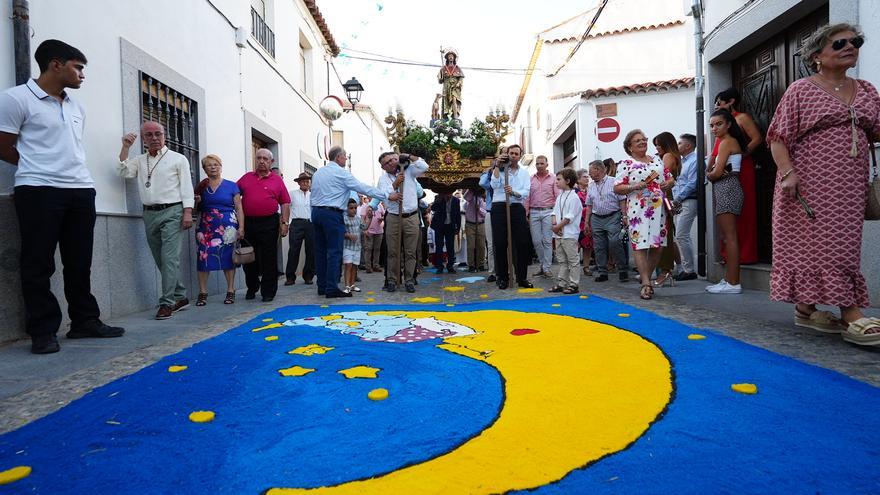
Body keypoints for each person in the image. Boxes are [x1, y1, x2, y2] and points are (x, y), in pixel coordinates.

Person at [0, 39, 124, 353]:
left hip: (81, 190)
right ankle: (42, 330)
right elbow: (3, 144)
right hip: (39, 189)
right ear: (56, 64)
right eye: (77, 67)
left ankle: (84, 321)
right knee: (38, 262)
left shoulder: (75, 106)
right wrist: (33, 165)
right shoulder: (16, 99)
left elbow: (71, 149)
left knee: (79, 262)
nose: (82, 74)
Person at [767, 23, 880, 344]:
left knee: (844, 240)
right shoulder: (801, 90)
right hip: (808, 181)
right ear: (817, 56)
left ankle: (806, 309)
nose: (850, 46)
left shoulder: (868, 90)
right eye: (839, 43)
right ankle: (850, 312)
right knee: (816, 243)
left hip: (849, 185)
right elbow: (777, 137)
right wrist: (788, 173)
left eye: (855, 41)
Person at [118, 121, 194, 319]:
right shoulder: (140, 160)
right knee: (161, 259)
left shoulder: (178, 159)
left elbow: (187, 187)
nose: (154, 138)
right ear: (143, 139)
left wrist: (187, 212)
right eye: (149, 135)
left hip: (173, 211)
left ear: (165, 135)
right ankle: (180, 296)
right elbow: (124, 172)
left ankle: (166, 303)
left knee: (169, 258)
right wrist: (125, 147)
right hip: (149, 213)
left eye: (158, 134)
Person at [311, 146, 390, 298]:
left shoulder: (318, 172)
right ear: (339, 157)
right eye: (345, 156)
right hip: (332, 214)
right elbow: (362, 187)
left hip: (316, 212)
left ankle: (322, 286)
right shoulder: (341, 173)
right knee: (334, 251)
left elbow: (314, 194)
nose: (346, 159)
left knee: (320, 251)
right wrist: (385, 194)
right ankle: (332, 287)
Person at [614, 130, 674, 300]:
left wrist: (667, 184)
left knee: (658, 245)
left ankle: (644, 275)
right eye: (637, 140)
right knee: (640, 245)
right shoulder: (626, 163)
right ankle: (646, 283)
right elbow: (617, 187)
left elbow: (670, 178)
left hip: (658, 207)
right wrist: (634, 187)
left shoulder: (656, 159)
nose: (642, 142)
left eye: (644, 139)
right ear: (630, 146)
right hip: (638, 208)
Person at [711, 87, 761, 265]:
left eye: (719, 102)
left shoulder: (742, 118)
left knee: (744, 210)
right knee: (726, 215)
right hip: (721, 171)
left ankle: (746, 254)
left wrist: (740, 156)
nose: (716, 105)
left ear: (731, 101)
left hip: (740, 168)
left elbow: (756, 138)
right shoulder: (719, 126)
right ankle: (729, 255)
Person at [237, 148, 290, 302]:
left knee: (269, 258)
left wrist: (285, 223)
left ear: (271, 162)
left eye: (265, 159)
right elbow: (233, 195)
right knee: (249, 257)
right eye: (258, 158)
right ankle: (252, 287)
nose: (261, 161)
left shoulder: (277, 180)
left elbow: (285, 202)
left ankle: (268, 291)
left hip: (269, 222)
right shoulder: (246, 178)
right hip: (248, 223)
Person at [193, 154, 244, 306]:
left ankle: (230, 290)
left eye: (216, 164)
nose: (213, 167)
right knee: (203, 257)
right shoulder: (201, 186)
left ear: (221, 167)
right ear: (204, 169)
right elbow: (196, 210)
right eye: (209, 165)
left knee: (228, 258)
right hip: (206, 226)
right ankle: (203, 292)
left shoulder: (231, 185)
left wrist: (241, 227)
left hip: (228, 227)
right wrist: (197, 202)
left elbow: (239, 207)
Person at [706, 110, 747, 294]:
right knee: (727, 236)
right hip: (726, 187)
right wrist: (712, 171)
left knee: (730, 237)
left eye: (718, 124)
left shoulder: (727, 142)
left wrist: (711, 173)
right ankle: (730, 280)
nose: (714, 128)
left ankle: (733, 283)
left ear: (729, 124)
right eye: (712, 125)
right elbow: (712, 169)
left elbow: (714, 173)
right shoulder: (723, 142)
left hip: (727, 188)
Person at [377, 151, 428, 292]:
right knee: (393, 251)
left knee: (410, 251)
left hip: (411, 216)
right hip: (394, 216)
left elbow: (424, 166)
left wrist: (410, 156)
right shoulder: (383, 179)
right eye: (387, 162)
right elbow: (383, 193)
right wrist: (395, 184)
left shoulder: (409, 171)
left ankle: (409, 280)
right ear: (383, 167)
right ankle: (392, 280)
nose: (392, 163)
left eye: (393, 159)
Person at [489, 144, 533, 289]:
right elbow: (494, 185)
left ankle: (522, 278)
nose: (514, 155)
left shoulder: (524, 173)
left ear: (520, 156)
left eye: (516, 153)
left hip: (516, 206)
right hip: (499, 206)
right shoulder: (501, 169)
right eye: (511, 153)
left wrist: (513, 192)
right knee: (500, 243)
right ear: (507, 154)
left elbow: (526, 191)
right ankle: (502, 278)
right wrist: (496, 165)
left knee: (521, 243)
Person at [585, 160, 629, 283]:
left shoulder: (614, 181)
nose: (589, 175)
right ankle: (602, 272)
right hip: (597, 217)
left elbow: (622, 200)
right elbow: (589, 205)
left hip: (613, 216)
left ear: (598, 170)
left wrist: (624, 216)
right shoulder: (591, 185)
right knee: (599, 246)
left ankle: (622, 269)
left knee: (615, 242)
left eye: (590, 172)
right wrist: (587, 222)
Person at [652, 132, 683, 287]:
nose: (657, 148)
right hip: (664, 196)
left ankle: (666, 271)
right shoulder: (671, 156)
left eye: (659, 144)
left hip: (663, 197)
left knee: (664, 236)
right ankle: (664, 270)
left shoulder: (667, 156)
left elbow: (660, 177)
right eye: (655, 145)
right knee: (665, 234)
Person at [548, 168, 582, 294]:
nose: (556, 182)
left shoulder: (574, 197)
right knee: (562, 260)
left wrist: (557, 227)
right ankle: (562, 283)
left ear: (567, 181)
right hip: (559, 235)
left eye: (558, 179)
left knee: (573, 260)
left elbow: (570, 216)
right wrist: (554, 225)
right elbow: (554, 212)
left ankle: (574, 284)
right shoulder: (560, 196)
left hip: (569, 234)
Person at [673, 133, 699, 281]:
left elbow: (692, 183)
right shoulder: (683, 162)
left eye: (680, 143)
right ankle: (686, 268)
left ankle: (689, 270)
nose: (677, 146)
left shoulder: (694, 160)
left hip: (688, 200)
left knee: (682, 235)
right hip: (681, 201)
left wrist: (678, 198)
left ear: (688, 146)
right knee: (681, 235)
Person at [528, 155, 558, 278]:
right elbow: (527, 197)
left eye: (541, 163)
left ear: (547, 164)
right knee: (536, 241)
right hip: (533, 212)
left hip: (548, 211)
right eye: (537, 164)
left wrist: (556, 214)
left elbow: (557, 196)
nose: (539, 166)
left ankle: (546, 268)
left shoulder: (554, 178)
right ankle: (542, 265)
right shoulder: (530, 179)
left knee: (547, 241)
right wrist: (526, 213)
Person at [284, 172, 315, 286]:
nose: (305, 183)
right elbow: (285, 208)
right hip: (296, 223)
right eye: (303, 181)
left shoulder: (313, 195)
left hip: (310, 224)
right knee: (293, 250)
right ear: (299, 183)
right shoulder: (292, 194)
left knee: (311, 251)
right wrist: (286, 223)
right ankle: (290, 277)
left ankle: (308, 276)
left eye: (307, 181)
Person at [431, 192, 461, 274]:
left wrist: (458, 228)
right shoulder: (438, 197)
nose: (448, 195)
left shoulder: (456, 200)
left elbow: (458, 215)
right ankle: (440, 266)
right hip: (439, 226)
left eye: (450, 193)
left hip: (450, 226)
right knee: (439, 246)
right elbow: (433, 208)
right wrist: (440, 199)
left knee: (450, 246)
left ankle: (450, 266)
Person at [343, 198, 365, 293]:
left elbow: (364, 227)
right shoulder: (343, 219)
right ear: (346, 208)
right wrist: (348, 235)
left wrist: (369, 218)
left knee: (355, 266)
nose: (354, 210)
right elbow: (341, 232)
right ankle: (347, 286)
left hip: (357, 247)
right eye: (351, 208)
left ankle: (352, 285)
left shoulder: (358, 218)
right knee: (348, 265)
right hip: (347, 246)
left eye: (355, 208)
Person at [463, 187, 487, 272]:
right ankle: (471, 265)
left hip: (480, 224)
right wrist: (471, 188)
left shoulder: (483, 201)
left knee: (481, 246)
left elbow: (485, 214)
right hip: (470, 224)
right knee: (471, 246)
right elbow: (465, 197)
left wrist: (479, 209)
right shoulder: (470, 198)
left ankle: (480, 264)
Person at [479, 167, 496, 282]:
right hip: (491, 212)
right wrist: (489, 172)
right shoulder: (489, 182)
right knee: (490, 245)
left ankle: (506, 270)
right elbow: (482, 183)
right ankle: (492, 272)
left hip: (504, 212)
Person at [575, 168, 594, 276]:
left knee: (588, 246)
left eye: (588, 177)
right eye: (584, 177)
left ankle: (586, 267)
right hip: (577, 222)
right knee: (576, 246)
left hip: (588, 221)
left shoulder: (591, 191)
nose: (587, 179)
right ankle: (573, 267)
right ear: (578, 179)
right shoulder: (574, 191)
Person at [438, 49, 464, 120]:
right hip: (446, 86)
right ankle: (445, 116)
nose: (451, 57)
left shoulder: (457, 68)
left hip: (455, 86)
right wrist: (441, 77)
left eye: (452, 56)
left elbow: (461, 78)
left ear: (454, 58)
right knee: (446, 101)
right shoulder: (443, 68)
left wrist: (458, 83)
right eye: (449, 56)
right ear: (447, 58)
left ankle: (455, 116)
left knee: (454, 99)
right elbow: (440, 81)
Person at [364, 201, 385, 272]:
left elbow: (384, 215)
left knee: (377, 249)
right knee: (368, 249)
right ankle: (368, 267)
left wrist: (382, 218)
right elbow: (362, 218)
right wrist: (365, 230)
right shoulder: (366, 206)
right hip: (369, 231)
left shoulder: (380, 205)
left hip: (379, 230)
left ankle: (376, 265)